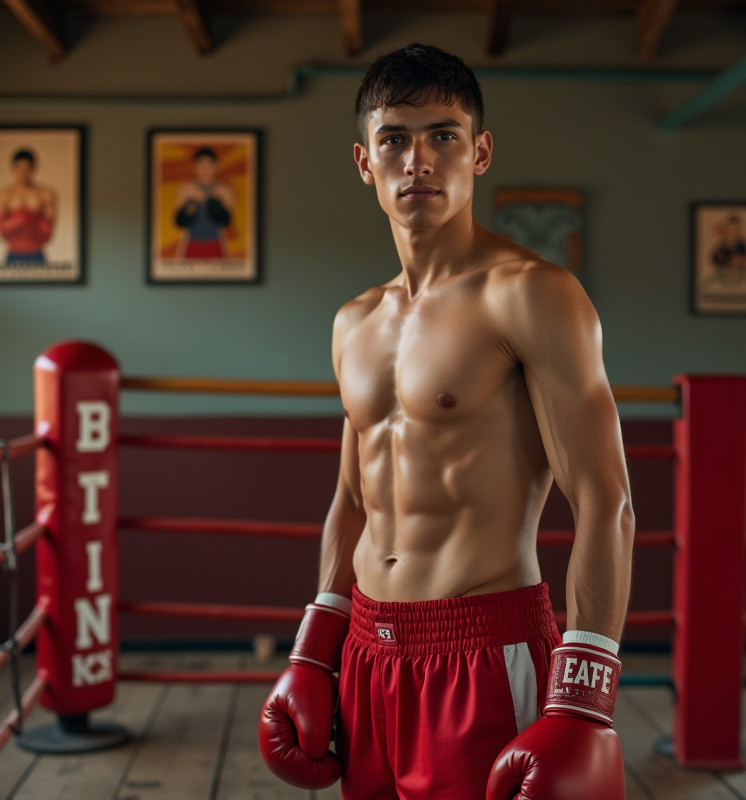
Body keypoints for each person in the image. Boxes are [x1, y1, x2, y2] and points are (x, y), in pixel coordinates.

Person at [258, 44, 634, 800]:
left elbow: (605, 502)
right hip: (367, 651)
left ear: (480, 151)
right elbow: (352, 501)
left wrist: (583, 701)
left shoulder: (532, 295)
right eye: (394, 137)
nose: (418, 159)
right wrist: (316, 651)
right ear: (365, 161)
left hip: (485, 654)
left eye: (444, 135)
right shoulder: (354, 321)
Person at [0, 148, 55, 266]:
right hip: (13, 254)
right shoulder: (4, 196)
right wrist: (26, 220)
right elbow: (2, 232)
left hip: (37, 253)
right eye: (19, 168)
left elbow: (47, 233)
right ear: (13, 168)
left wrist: (25, 219)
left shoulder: (45, 196)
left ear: (34, 168)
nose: (23, 172)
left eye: (27, 168)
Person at [173, 147, 235, 259]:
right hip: (191, 243)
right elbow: (179, 222)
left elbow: (227, 222)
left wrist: (215, 205)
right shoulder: (185, 190)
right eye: (201, 166)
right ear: (195, 167)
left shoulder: (225, 190)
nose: (205, 170)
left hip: (216, 243)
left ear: (216, 167)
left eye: (209, 166)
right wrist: (190, 207)